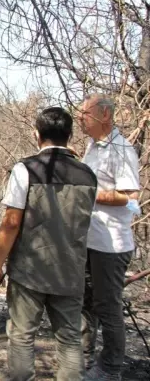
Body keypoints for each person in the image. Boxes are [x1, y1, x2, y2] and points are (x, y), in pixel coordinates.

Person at [0, 107, 98, 380]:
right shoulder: (87, 175)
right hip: (70, 272)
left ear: (37, 135)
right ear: (70, 136)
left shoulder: (26, 170)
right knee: (70, 340)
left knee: (22, 336)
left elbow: (11, 222)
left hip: (30, 270)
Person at [78, 95, 141, 380]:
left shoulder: (121, 149)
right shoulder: (92, 146)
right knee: (85, 301)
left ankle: (110, 368)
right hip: (89, 242)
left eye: (85, 113)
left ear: (104, 115)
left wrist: (91, 194)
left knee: (108, 306)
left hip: (110, 245)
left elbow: (131, 199)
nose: (80, 118)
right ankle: (85, 359)